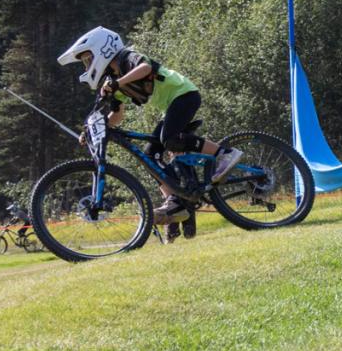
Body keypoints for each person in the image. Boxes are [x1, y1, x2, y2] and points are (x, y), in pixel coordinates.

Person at [59, 26, 242, 225]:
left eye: (88, 60)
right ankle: (175, 203)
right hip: (170, 107)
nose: (87, 67)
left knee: (169, 139)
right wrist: (95, 130)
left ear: (101, 49)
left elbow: (145, 68)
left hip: (184, 94)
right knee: (150, 155)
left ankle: (225, 153)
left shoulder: (126, 58)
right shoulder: (112, 81)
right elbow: (118, 115)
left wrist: (118, 83)